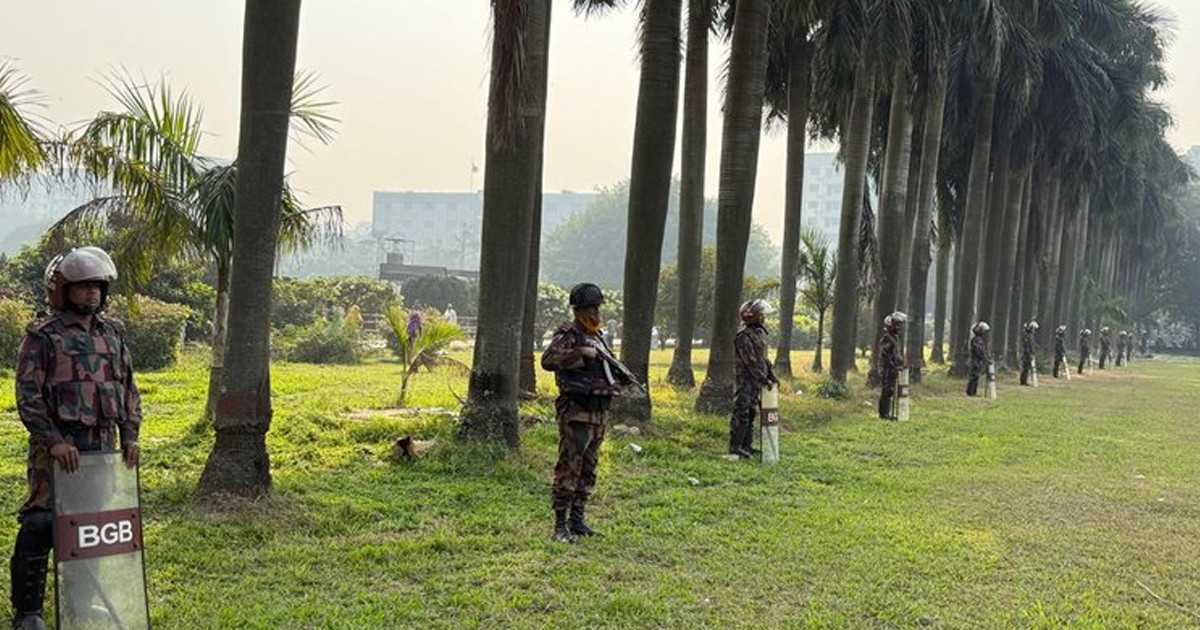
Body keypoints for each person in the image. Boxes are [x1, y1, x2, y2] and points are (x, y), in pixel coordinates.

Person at [10, 247, 142, 630]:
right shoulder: (43, 337)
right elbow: (28, 396)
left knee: (91, 527)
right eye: (83, 287)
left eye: (97, 286)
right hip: (57, 452)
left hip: (101, 449)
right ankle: (28, 612)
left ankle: (80, 603)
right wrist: (52, 441)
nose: (92, 293)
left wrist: (130, 434)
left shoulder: (112, 333)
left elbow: (128, 389)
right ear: (62, 290)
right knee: (41, 524)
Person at [540, 283, 631, 544]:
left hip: (598, 413)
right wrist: (581, 353)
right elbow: (548, 360)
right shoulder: (570, 335)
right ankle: (560, 526)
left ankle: (577, 521)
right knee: (569, 469)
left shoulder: (598, 336)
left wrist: (619, 381)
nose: (596, 313)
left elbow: (606, 369)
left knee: (588, 470)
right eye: (591, 308)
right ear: (579, 310)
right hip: (576, 413)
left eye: (598, 308)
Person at [730, 299, 778, 458]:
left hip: (755, 383)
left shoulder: (758, 335)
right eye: (761, 315)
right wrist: (764, 379)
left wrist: (771, 375)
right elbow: (750, 362)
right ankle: (736, 447)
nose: (763, 318)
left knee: (751, 413)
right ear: (753, 317)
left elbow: (763, 360)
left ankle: (747, 446)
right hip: (745, 382)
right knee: (741, 414)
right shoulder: (743, 337)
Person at [876, 312, 907, 420]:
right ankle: (883, 414)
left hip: (893, 368)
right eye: (897, 325)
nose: (899, 327)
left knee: (891, 390)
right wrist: (894, 366)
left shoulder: (896, 338)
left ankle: (888, 413)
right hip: (886, 368)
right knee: (886, 389)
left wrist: (900, 363)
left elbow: (896, 354)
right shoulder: (887, 339)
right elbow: (886, 356)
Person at [966, 321, 990, 397]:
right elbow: (979, 351)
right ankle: (971, 392)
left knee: (976, 376)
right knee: (974, 376)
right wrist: (985, 358)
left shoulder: (977, 340)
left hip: (977, 360)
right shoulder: (977, 340)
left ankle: (973, 392)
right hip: (975, 361)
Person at [1020, 320, 1039, 386]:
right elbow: (1027, 346)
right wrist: (1029, 353)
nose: (1034, 330)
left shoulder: (1030, 336)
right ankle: (1023, 381)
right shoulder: (1026, 336)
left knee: (1027, 368)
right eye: (1033, 329)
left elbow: (1031, 345)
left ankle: (1024, 381)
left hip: (1029, 353)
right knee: (1025, 367)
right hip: (1026, 354)